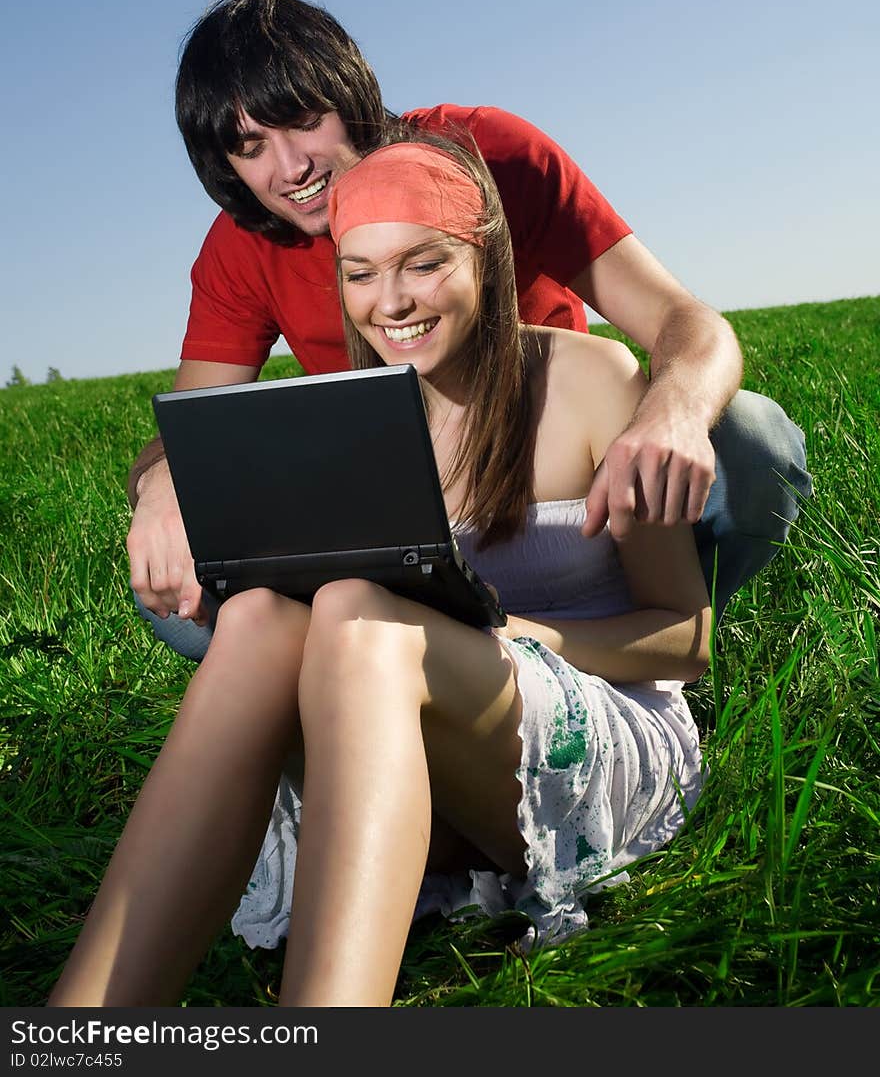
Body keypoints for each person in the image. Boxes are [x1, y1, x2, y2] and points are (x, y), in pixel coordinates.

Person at [49, 136, 711, 1008]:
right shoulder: (358, 421)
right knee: (258, 621)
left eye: (422, 264)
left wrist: (510, 635)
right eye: (359, 274)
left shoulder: (590, 378)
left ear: (486, 254)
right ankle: (83, 1029)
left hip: (588, 742)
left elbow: (687, 640)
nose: (390, 302)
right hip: (401, 749)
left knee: (362, 616)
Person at [127, 0, 811, 658]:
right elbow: (195, 434)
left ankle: (623, 637)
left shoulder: (494, 154)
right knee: (183, 600)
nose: (292, 166)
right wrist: (164, 485)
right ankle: (405, 668)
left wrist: (674, 415)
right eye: (250, 148)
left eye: (304, 120)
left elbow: (683, 320)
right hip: (410, 517)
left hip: (568, 486)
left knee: (755, 448)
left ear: (351, 91)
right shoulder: (240, 248)